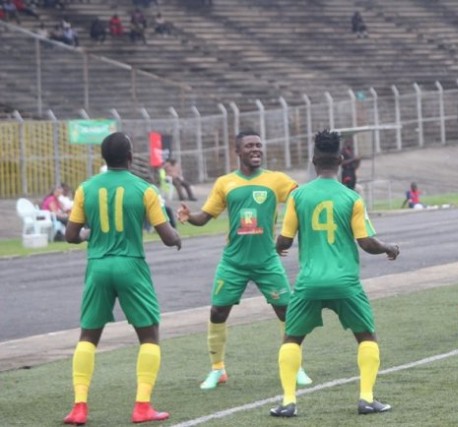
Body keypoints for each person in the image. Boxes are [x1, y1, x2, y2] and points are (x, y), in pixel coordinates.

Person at [270, 129, 399, 417]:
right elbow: (366, 243)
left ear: (313, 160)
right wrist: (389, 247)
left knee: (292, 339)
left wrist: (277, 247)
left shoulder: (298, 196)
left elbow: (285, 240)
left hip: (309, 283)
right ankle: (366, 399)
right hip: (345, 282)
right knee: (366, 336)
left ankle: (288, 402)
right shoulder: (351, 197)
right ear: (340, 160)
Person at [176, 130, 312, 391]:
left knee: (287, 312)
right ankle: (217, 369)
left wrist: (288, 233)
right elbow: (205, 217)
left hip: (267, 261)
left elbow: (302, 200)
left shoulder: (276, 180)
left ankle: (295, 367)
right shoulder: (225, 182)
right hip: (233, 262)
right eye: (249, 146)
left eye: (259, 145)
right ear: (237, 151)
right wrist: (189, 216)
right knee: (217, 312)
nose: (255, 149)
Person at [62, 132, 182, 425]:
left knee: (88, 336)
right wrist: (177, 236)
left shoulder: (86, 188)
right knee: (149, 336)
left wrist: (89, 234)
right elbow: (167, 237)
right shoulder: (145, 189)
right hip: (131, 265)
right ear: (130, 158)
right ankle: (142, 407)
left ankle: (79, 407)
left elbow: (71, 235)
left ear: (104, 158)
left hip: (98, 266)